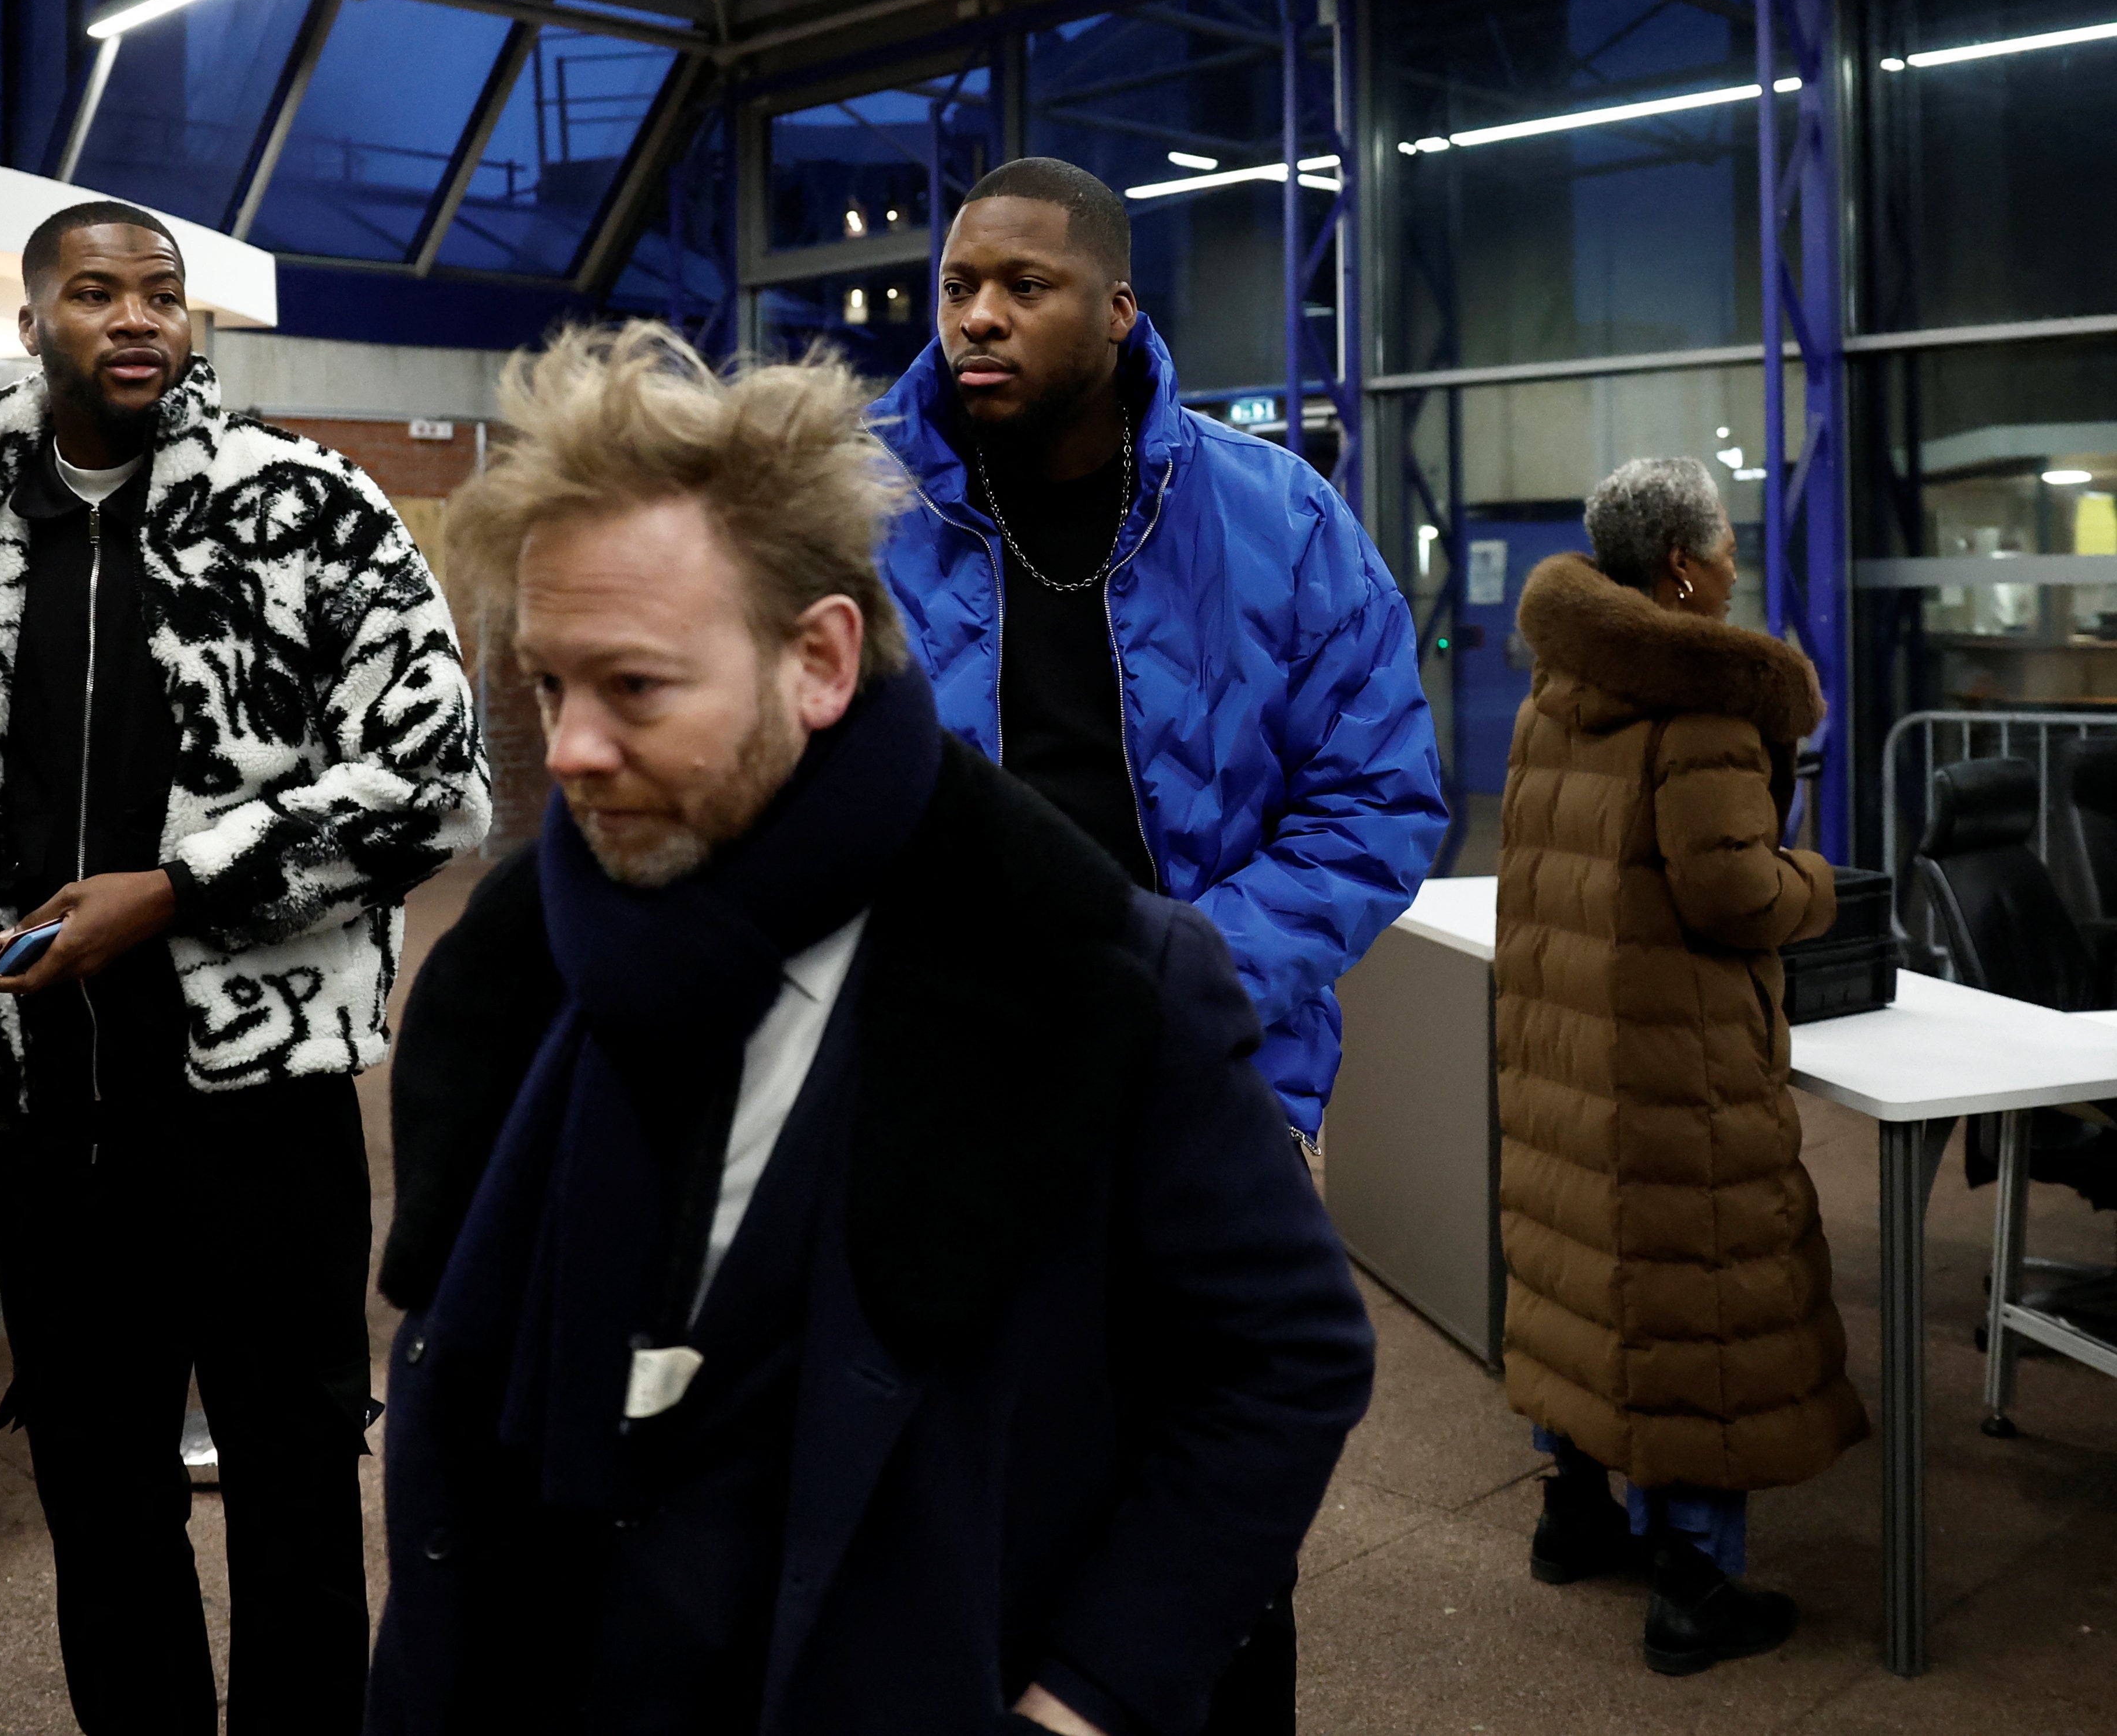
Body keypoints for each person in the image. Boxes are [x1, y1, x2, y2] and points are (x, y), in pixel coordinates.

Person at [366, 323, 1376, 1736]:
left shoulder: (1090, 977)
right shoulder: (517, 957)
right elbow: (463, 1394)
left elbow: (1288, 1356)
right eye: (548, 685)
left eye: (637, 687)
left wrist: (1084, 1701)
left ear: (822, 663)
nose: (574, 749)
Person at [0, 200, 490, 1732]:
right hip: (48, 1114)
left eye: (164, 294)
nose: (140, 318)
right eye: (97, 293)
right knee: (96, 1490)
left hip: (261, 1117)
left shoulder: (312, 511)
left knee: (294, 1483)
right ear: (35, 326)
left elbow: (433, 773)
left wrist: (179, 892)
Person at [868, 157, 1446, 1156]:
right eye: (958, 287)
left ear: (1116, 311)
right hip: (932, 1088)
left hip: (1208, 1078)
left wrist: (1174, 976)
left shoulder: (1283, 519)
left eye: (1026, 286)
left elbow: (1374, 800)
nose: (979, 318)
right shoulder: (858, 519)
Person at [1496, 456, 1867, 1676]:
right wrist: (1818, 885)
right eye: (1724, 550)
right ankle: (1695, 1584)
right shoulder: (1704, 705)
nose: (1732, 570)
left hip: (1575, 1051)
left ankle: (1576, 1515)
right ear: (1680, 570)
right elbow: (1734, 891)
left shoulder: (1552, 690)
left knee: (1583, 1268)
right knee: (1697, 1296)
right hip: (1679, 1065)